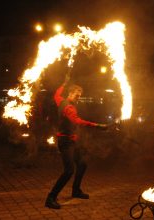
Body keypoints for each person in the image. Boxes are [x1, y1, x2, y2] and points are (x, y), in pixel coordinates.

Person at [45, 79, 108, 209]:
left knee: (82, 164)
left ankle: (76, 190)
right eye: (77, 95)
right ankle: (51, 197)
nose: (78, 98)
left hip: (72, 140)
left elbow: (56, 94)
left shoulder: (60, 101)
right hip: (65, 142)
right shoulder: (68, 107)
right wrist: (97, 125)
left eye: (80, 96)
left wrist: (63, 83)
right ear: (70, 93)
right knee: (69, 171)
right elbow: (77, 121)